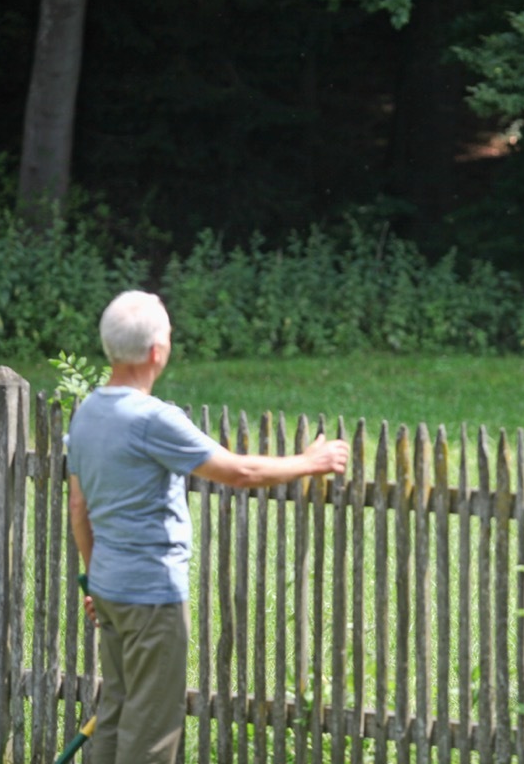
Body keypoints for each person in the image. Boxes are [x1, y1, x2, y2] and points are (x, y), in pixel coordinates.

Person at [67, 290, 350, 763]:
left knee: (113, 716)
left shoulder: (88, 413)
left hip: (110, 591)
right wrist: (309, 460)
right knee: (151, 729)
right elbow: (239, 472)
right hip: (151, 596)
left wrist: (95, 577)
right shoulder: (153, 420)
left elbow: (79, 506)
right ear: (157, 351)